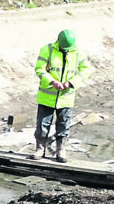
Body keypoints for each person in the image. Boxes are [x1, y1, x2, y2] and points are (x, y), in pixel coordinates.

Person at [34, 29, 90, 162]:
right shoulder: (47, 50)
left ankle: (61, 150)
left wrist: (71, 83)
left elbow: (86, 70)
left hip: (66, 97)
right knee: (42, 125)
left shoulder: (78, 53)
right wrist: (52, 81)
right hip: (47, 96)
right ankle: (40, 149)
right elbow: (39, 69)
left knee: (63, 126)